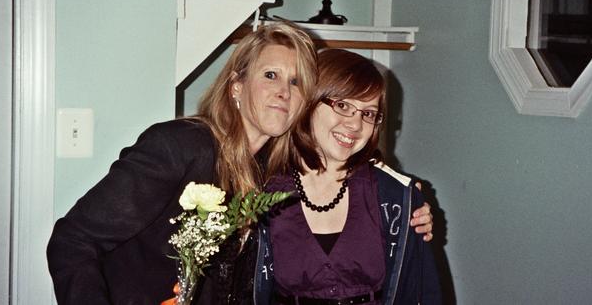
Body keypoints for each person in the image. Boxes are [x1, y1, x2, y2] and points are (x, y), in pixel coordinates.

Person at [47, 23, 434, 305]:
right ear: (236, 86)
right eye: (271, 76)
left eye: (297, 83)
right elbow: (72, 241)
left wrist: (409, 201)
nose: (284, 91)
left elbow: (344, 157)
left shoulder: (276, 172)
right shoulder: (178, 146)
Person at [255, 49, 441, 304]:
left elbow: (421, 293)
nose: (355, 125)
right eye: (342, 105)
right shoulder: (258, 190)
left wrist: (413, 201)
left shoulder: (396, 199)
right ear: (309, 102)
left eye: (368, 113)